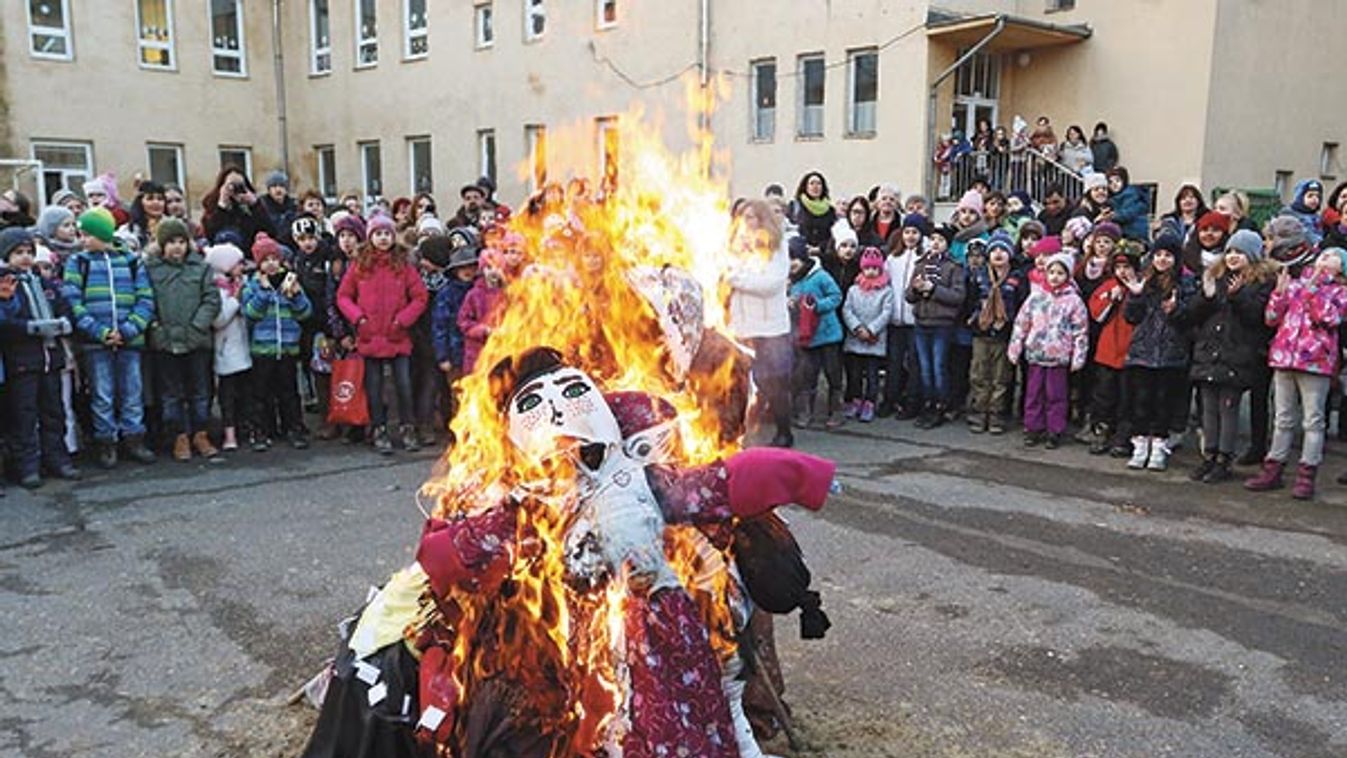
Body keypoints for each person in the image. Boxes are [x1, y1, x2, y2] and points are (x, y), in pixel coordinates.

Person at [1246, 247, 1347, 499]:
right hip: (1284, 358)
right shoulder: (1295, 284)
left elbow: (1330, 318)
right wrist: (1279, 294)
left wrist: (1313, 292)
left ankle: (1307, 473)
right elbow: (1271, 318)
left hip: (1315, 361)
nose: (1324, 260)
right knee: (1282, 417)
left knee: (1313, 420)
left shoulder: (1340, 291)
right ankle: (1273, 468)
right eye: (1322, 255)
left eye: (1331, 257)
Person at [63, 207, 157, 468]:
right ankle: (107, 441)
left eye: (87, 234)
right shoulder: (78, 262)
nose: (82, 240)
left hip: (130, 341)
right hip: (96, 342)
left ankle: (134, 437)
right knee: (102, 393)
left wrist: (128, 330)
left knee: (132, 391)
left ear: (102, 233)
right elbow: (73, 301)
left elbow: (145, 299)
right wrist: (99, 332)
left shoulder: (131, 260)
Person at [1183, 230, 1276, 484]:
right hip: (1210, 351)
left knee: (1228, 407)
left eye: (1240, 252)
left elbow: (1257, 317)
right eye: (1231, 251)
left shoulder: (1262, 282)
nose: (1234, 257)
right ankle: (1209, 455)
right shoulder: (1217, 277)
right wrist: (1207, 297)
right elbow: (1194, 315)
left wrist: (1237, 297)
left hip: (1238, 354)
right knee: (1209, 409)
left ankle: (1224, 458)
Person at [337, 211, 429, 454]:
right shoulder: (359, 265)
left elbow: (420, 296)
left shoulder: (404, 265)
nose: (383, 238)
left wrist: (403, 319)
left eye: (387, 233)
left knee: (403, 385)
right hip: (369, 335)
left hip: (397, 335)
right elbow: (343, 296)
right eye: (378, 233)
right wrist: (359, 318)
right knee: (374, 388)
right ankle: (379, 430)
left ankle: (408, 428)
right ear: (370, 237)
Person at [0, 230, 78, 487]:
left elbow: (62, 305)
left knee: (53, 411)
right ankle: (27, 465)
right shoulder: (6, 285)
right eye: (18, 253)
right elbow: (6, 321)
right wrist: (31, 327)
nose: (24, 258)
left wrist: (64, 322)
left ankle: (56, 458)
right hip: (23, 359)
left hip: (50, 356)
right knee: (24, 414)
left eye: (28, 253)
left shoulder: (43, 282)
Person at [145, 218, 221, 461]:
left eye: (181, 242)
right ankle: (178, 435)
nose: (176, 247)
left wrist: (198, 326)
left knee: (200, 390)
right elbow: (147, 301)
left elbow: (211, 299)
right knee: (171, 393)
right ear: (161, 245)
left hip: (196, 340)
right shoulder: (151, 269)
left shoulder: (200, 268)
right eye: (171, 243)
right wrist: (156, 328)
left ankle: (200, 432)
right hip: (166, 342)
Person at [1120, 234, 1192, 472]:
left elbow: (1190, 320)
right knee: (1141, 401)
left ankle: (1159, 446)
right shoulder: (1144, 281)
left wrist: (1176, 310)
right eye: (1158, 254)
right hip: (1142, 352)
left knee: (1163, 402)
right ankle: (1139, 445)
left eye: (1168, 255)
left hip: (1171, 354)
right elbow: (1131, 317)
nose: (1162, 259)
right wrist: (1135, 296)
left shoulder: (1185, 284)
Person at [725, 199, 794, 447]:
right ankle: (739, 430)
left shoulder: (776, 246)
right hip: (741, 325)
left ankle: (784, 431)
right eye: (743, 216)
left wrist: (735, 278)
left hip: (769, 327)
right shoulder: (736, 247)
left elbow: (770, 284)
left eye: (752, 216)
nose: (747, 222)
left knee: (772, 381)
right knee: (740, 380)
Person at [1007, 251, 1087, 448]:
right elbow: (1021, 323)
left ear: (1067, 276)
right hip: (1035, 354)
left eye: (1060, 273)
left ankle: (1055, 429)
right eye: (1052, 272)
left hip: (1058, 356)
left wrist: (1078, 356)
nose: (1055, 277)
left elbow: (1081, 330)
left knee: (1056, 395)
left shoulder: (1074, 301)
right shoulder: (1036, 297)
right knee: (1034, 393)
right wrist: (1015, 347)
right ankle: (1033, 427)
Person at [243, 233, 313, 451]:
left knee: (289, 392)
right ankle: (261, 430)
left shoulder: (290, 282)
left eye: (274, 258)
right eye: (265, 260)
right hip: (263, 348)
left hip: (288, 347)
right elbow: (250, 313)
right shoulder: (253, 285)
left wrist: (296, 296)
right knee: (260, 393)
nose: (271, 264)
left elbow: (305, 314)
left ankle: (293, 428)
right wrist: (264, 293)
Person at [906, 227, 964, 428]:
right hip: (922, 322)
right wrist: (915, 288)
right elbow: (909, 296)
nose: (935, 243)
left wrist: (934, 289)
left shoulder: (953, 266)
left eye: (940, 239)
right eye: (932, 239)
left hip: (942, 324)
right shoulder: (921, 264)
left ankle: (941, 404)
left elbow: (958, 296)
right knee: (925, 367)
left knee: (939, 366)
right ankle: (928, 402)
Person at [1085, 247, 1139, 456]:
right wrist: (1111, 299)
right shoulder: (1107, 287)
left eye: (1127, 267)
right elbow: (1097, 315)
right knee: (1104, 395)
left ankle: (1123, 436)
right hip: (1108, 351)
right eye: (1119, 267)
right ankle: (1102, 431)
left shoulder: (1139, 288)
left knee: (1128, 398)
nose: (1123, 271)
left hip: (1131, 352)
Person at [967, 231, 1022, 434]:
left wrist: (1008, 323)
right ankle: (980, 412)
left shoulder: (1016, 278)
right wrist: (975, 320)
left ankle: (997, 414)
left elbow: (1019, 306)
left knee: (1001, 377)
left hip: (1004, 335)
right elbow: (971, 301)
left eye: (1003, 250)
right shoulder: (980, 275)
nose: (998, 254)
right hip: (981, 333)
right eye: (994, 250)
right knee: (979, 374)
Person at [789, 237, 845, 429]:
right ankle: (806, 412)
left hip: (828, 335)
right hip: (806, 337)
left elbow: (837, 296)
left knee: (833, 374)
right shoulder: (790, 282)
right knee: (807, 375)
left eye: (794, 258)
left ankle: (836, 410)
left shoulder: (820, 276)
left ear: (803, 258)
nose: (791, 264)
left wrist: (818, 306)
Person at [879, 214, 926, 419]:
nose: (910, 236)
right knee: (894, 362)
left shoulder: (925, 259)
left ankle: (912, 402)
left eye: (915, 232)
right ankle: (890, 399)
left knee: (915, 363)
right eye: (907, 232)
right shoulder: (892, 258)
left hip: (915, 320)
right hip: (895, 320)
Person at [205, 243, 251, 452]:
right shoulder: (218, 290)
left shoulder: (241, 283)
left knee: (244, 391)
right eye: (237, 263)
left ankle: (245, 427)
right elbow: (218, 320)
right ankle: (229, 432)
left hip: (243, 346)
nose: (242, 267)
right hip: (226, 350)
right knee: (227, 395)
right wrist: (235, 299)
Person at [840, 247, 893, 423]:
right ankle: (855, 400)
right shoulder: (854, 289)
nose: (871, 272)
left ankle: (870, 402)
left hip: (874, 341)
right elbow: (847, 309)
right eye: (867, 268)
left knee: (872, 375)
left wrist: (871, 329)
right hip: (855, 339)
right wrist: (857, 328)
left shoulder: (886, 291)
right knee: (854, 374)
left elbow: (886, 313)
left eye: (875, 268)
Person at [201, 165, 276, 249]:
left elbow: (270, 232)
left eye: (240, 185)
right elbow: (209, 234)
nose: (235, 190)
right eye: (232, 185)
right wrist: (222, 206)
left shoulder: (250, 208)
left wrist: (255, 205)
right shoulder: (212, 205)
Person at [793, 171, 836, 254]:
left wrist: (820, 248)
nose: (815, 187)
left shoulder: (830, 211)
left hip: (823, 255)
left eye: (819, 183)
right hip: (800, 254)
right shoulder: (795, 207)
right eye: (812, 183)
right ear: (805, 187)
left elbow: (832, 235)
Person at [1105, 167, 1150, 242]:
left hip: (1134, 233)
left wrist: (1112, 216)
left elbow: (1127, 214)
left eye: (1117, 180)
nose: (1114, 184)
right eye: (1110, 182)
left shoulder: (1129, 195)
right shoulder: (1115, 198)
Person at [1180, 210, 1231, 275]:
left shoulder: (1231, 261)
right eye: (1204, 229)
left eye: (1215, 230)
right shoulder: (1184, 260)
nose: (1209, 234)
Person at [1281, 179, 1325, 248]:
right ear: (1300, 197)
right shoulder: (1290, 215)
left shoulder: (1316, 217)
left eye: (1317, 196)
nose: (1314, 199)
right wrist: (1319, 243)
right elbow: (1306, 233)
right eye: (1310, 196)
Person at [259, 171, 299, 246]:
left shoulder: (293, 205)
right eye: (274, 186)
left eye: (281, 186)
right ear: (269, 189)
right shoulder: (262, 205)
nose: (278, 189)